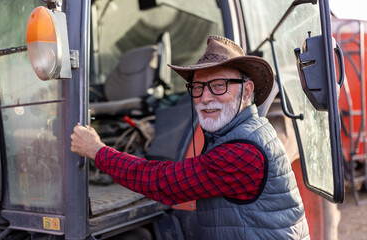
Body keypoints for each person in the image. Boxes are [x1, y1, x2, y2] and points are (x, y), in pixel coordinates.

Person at [71, 35, 309, 239]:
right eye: (198, 88)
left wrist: (97, 151)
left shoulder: (244, 150)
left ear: (246, 92)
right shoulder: (239, 133)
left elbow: (162, 182)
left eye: (218, 85)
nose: (205, 97)